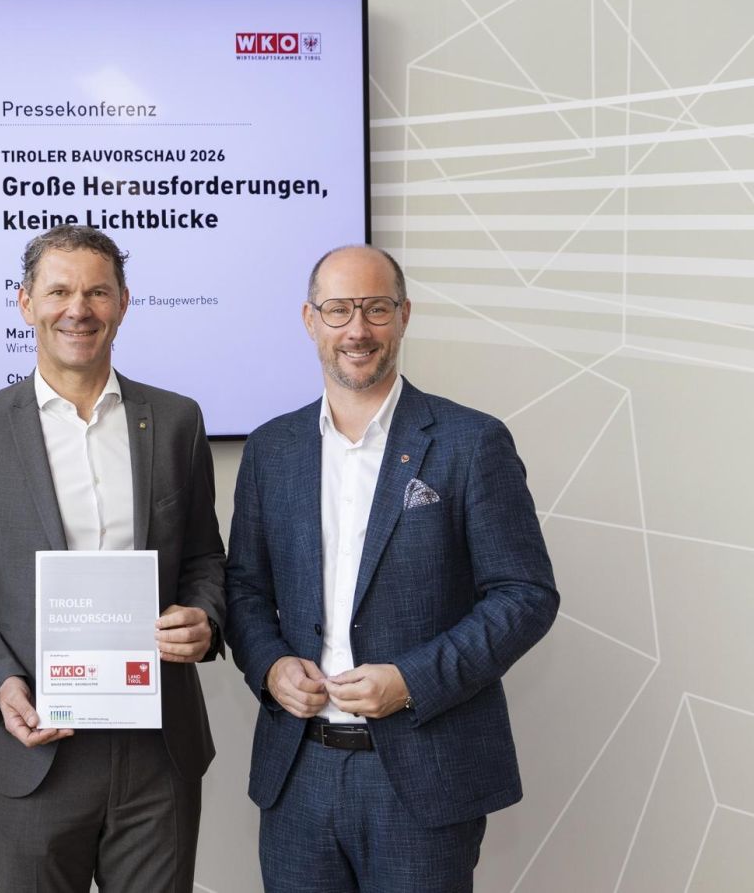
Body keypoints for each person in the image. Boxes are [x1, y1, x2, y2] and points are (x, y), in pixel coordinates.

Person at [225, 244, 559, 892]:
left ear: (404, 315)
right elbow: (243, 587)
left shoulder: (471, 442)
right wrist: (269, 665)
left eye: (376, 308)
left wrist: (410, 680)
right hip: (297, 774)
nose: (357, 329)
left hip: (422, 773)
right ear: (310, 319)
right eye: (338, 310)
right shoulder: (271, 449)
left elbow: (524, 594)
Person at [0, 224, 225, 892]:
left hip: (157, 749)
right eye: (59, 291)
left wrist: (204, 619)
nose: (79, 309)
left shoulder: (176, 420)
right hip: (36, 746)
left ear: (123, 302)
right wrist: (0, 684)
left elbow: (205, 557)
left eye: (97, 292)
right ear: (25, 303)